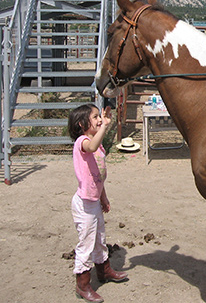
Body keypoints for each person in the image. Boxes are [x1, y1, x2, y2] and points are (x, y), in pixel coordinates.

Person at [68, 104, 128, 302]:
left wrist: (104, 197)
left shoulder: (97, 144)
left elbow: (98, 175)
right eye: (95, 117)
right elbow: (91, 147)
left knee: (100, 238)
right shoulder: (82, 142)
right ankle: (82, 285)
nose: (99, 120)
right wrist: (106, 126)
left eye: (98, 117)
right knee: (86, 242)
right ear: (82, 124)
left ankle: (104, 271)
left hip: (94, 200)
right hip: (84, 204)